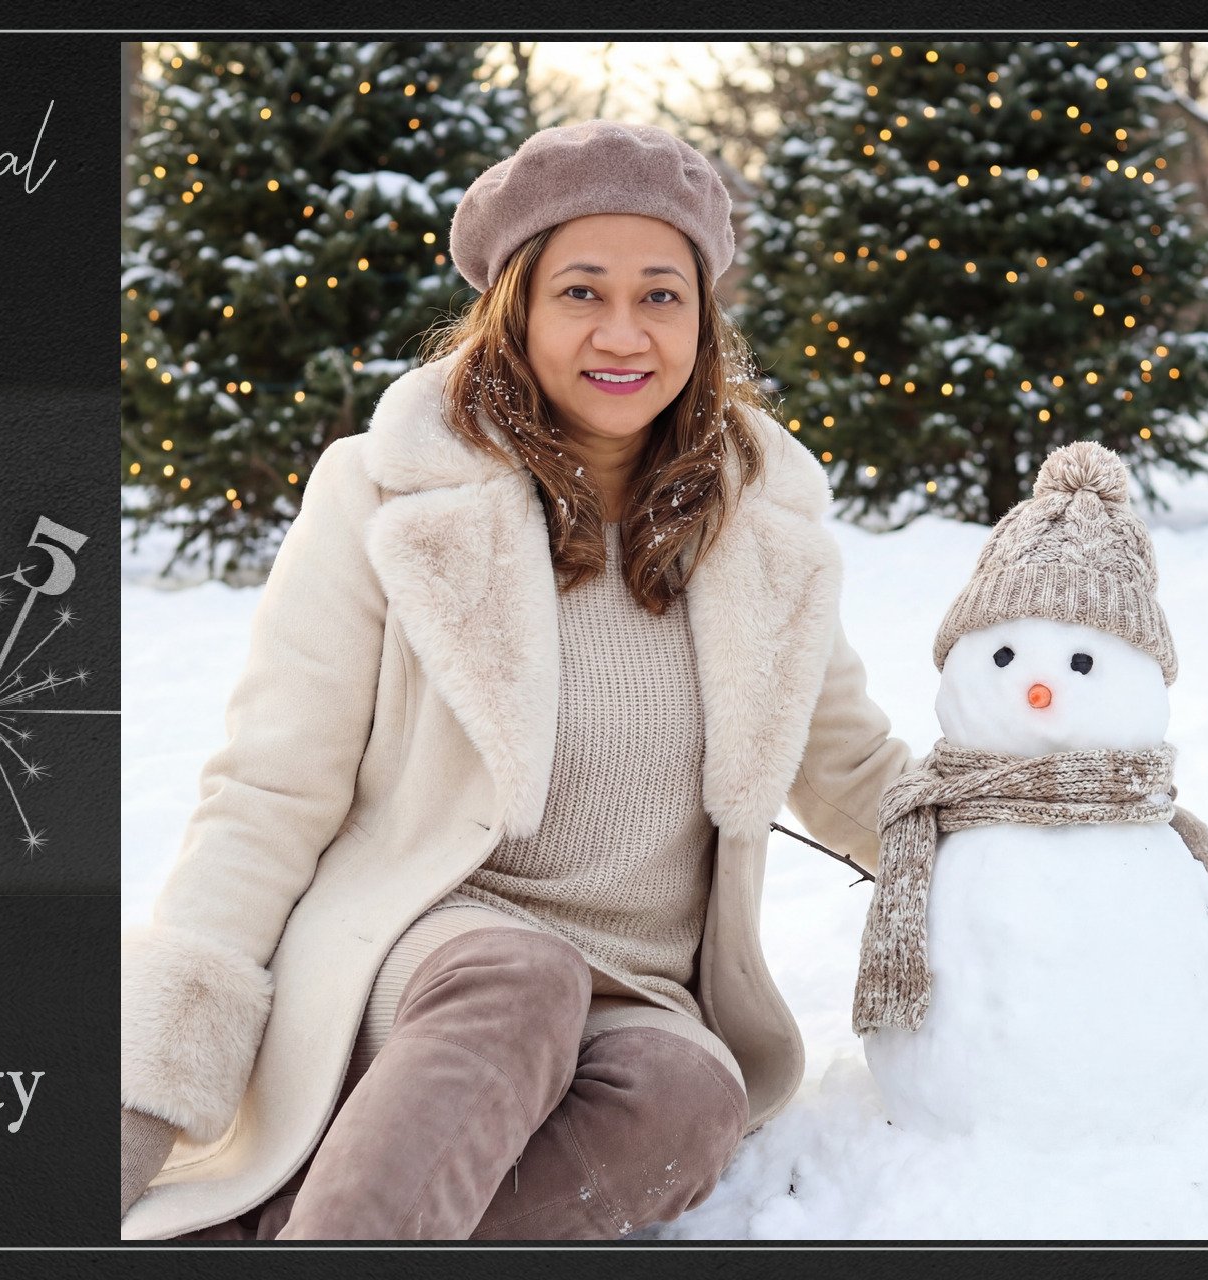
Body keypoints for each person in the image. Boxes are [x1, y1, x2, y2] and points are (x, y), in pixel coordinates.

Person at [120, 119, 916, 1242]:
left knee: (689, 1095)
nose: (624, 331)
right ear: (519, 307)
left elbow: (855, 770)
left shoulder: (756, 530)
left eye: (662, 294)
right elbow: (267, 789)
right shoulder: (390, 498)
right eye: (582, 291)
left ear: (705, 315)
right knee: (520, 975)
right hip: (424, 952)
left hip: (638, 992)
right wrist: (148, 1087)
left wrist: (1074, 830)